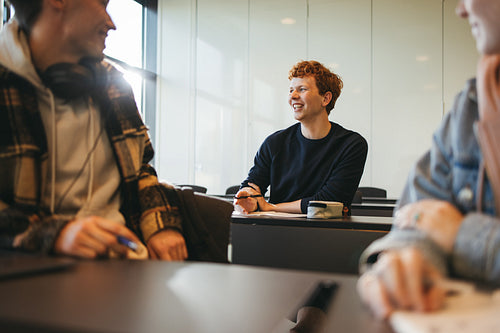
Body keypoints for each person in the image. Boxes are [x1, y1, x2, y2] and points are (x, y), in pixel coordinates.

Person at [0, 0, 190, 260]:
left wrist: (160, 226)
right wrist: (55, 234)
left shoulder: (114, 84)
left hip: (124, 265)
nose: (111, 23)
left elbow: (141, 168)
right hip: (31, 274)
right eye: (102, 3)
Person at [357, 0, 500, 319]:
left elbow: (446, 226)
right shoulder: (471, 104)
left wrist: (465, 236)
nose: (461, 10)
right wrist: (405, 261)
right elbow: (420, 215)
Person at [234, 60, 368, 214]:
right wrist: (247, 197)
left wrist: (272, 207)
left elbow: (329, 202)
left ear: (326, 98)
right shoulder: (274, 143)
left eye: (302, 89)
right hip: (276, 231)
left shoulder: (351, 144)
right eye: (291, 90)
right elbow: (252, 186)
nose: (293, 96)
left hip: (328, 234)